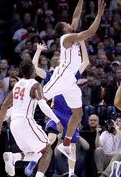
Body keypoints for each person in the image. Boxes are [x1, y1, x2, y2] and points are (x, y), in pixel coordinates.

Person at [43, 0, 105, 160]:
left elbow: (76, 15)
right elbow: (91, 31)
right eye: (66, 24)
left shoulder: (71, 33)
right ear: (64, 29)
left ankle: (66, 144)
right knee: (39, 97)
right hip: (62, 75)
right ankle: (16, 113)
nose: (70, 23)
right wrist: (99, 15)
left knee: (78, 114)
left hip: (70, 80)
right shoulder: (67, 37)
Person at [0, 61, 63, 177]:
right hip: (26, 121)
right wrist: (56, 120)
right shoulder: (35, 85)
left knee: (36, 152)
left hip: (14, 124)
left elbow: (4, 105)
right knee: (47, 149)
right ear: (34, 71)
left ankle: (14, 157)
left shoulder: (17, 85)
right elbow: (43, 105)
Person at [32, 41, 89, 177]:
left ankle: (71, 173)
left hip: (70, 115)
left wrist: (82, 43)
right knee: (50, 139)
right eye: (58, 61)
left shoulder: (72, 75)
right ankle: (33, 161)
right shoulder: (51, 77)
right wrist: (39, 50)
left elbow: (85, 61)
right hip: (56, 112)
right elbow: (34, 68)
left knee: (72, 146)